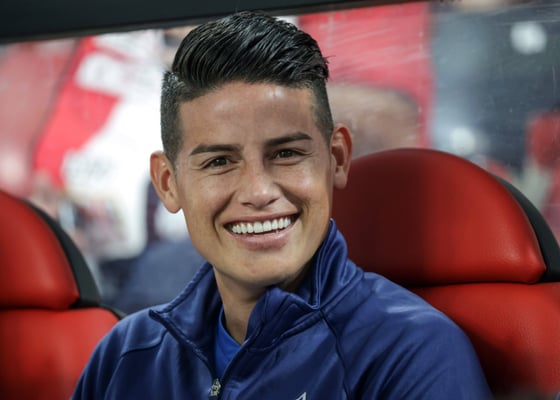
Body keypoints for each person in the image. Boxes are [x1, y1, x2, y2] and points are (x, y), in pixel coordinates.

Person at [73, 11, 492, 399]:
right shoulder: (125, 356)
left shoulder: (412, 354)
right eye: (219, 162)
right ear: (169, 184)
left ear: (337, 158)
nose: (258, 192)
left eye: (287, 154)